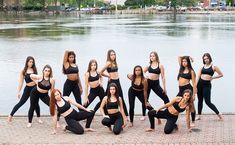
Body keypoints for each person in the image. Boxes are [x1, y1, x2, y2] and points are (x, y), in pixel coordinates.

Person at [8, 56, 41, 123]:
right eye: (30, 62)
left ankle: (39, 118)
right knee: (21, 102)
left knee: (36, 104)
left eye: (32, 62)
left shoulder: (34, 70)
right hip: (27, 89)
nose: (31, 63)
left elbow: (38, 79)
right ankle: (10, 115)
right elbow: (21, 82)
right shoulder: (23, 71)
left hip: (35, 89)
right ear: (27, 62)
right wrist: (19, 91)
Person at [100, 49, 128, 116]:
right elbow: (100, 72)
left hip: (117, 81)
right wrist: (108, 76)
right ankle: (104, 113)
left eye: (114, 54)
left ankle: (126, 115)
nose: (113, 56)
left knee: (121, 97)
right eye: (112, 55)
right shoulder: (108, 63)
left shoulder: (114, 62)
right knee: (106, 97)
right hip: (111, 82)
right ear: (109, 56)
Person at [143, 51, 169, 120]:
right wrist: (146, 76)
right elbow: (143, 71)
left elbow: (163, 77)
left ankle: (170, 111)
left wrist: (164, 87)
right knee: (145, 99)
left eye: (153, 56)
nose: (152, 57)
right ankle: (146, 114)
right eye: (151, 56)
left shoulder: (160, 65)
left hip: (156, 84)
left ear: (156, 57)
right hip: (148, 83)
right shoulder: (148, 65)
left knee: (165, 97)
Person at [197, 53, 223, 120]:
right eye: (204, 59)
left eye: (207, 58)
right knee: (200, 100)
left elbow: (221, 74)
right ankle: (199, 116)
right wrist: (195, 86)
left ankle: (219, 114)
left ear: (210, 58)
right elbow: (198, 77)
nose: (206, 60)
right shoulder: (202, 67)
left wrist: (213, 78)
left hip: (207, 85)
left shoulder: (214, 66)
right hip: (199, 84)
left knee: (208, 102)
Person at [177, 56, 196, 126]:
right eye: (183, 61)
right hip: (180, 89)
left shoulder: (191, 71)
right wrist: (189, 56)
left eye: (185, 61)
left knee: (191, 105)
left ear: (188, 62)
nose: (184, 63)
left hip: (188, 89)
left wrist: (194, 95)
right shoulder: (181, 69)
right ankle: (173, 118)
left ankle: (193, 121)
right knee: (176, 103)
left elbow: (194, 84)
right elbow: (179, 57)